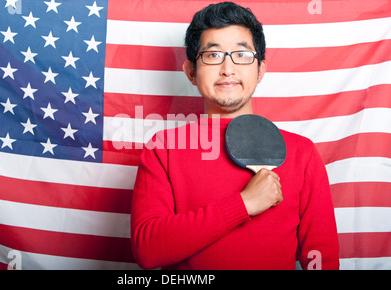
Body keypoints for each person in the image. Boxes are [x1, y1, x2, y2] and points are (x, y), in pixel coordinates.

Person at [130, 1, 339, 270]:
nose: (228, 68)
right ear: (191, 72)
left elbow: (323, 260)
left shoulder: (302, 153)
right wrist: (244, 204)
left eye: (242, 55)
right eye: (213, 55)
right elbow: (148, 251)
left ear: (260, 70)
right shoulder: (163, 149)